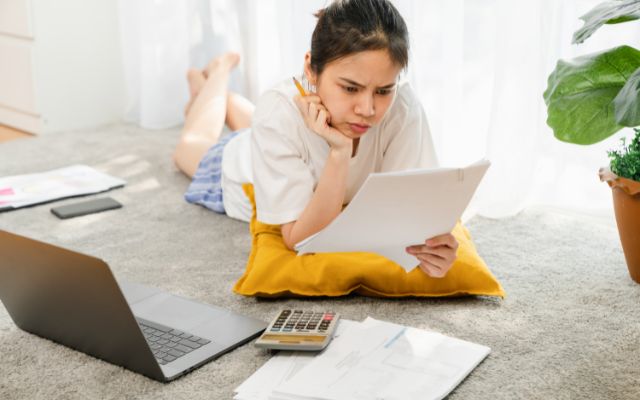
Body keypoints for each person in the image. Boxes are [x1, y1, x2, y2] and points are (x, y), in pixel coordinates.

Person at [173, 0, 459, 279]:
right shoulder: (276, 112)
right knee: (191, 144)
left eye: (384, 90)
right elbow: (299, 239)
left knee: (257, 123)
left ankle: (216, 94)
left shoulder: (403, 107)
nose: (368, 110)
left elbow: (413, 206)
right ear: (310, 69)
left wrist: (435, 247)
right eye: (350, 88)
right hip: (241, 162)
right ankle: (217, 74)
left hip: (278, 140)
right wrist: (340, 151)